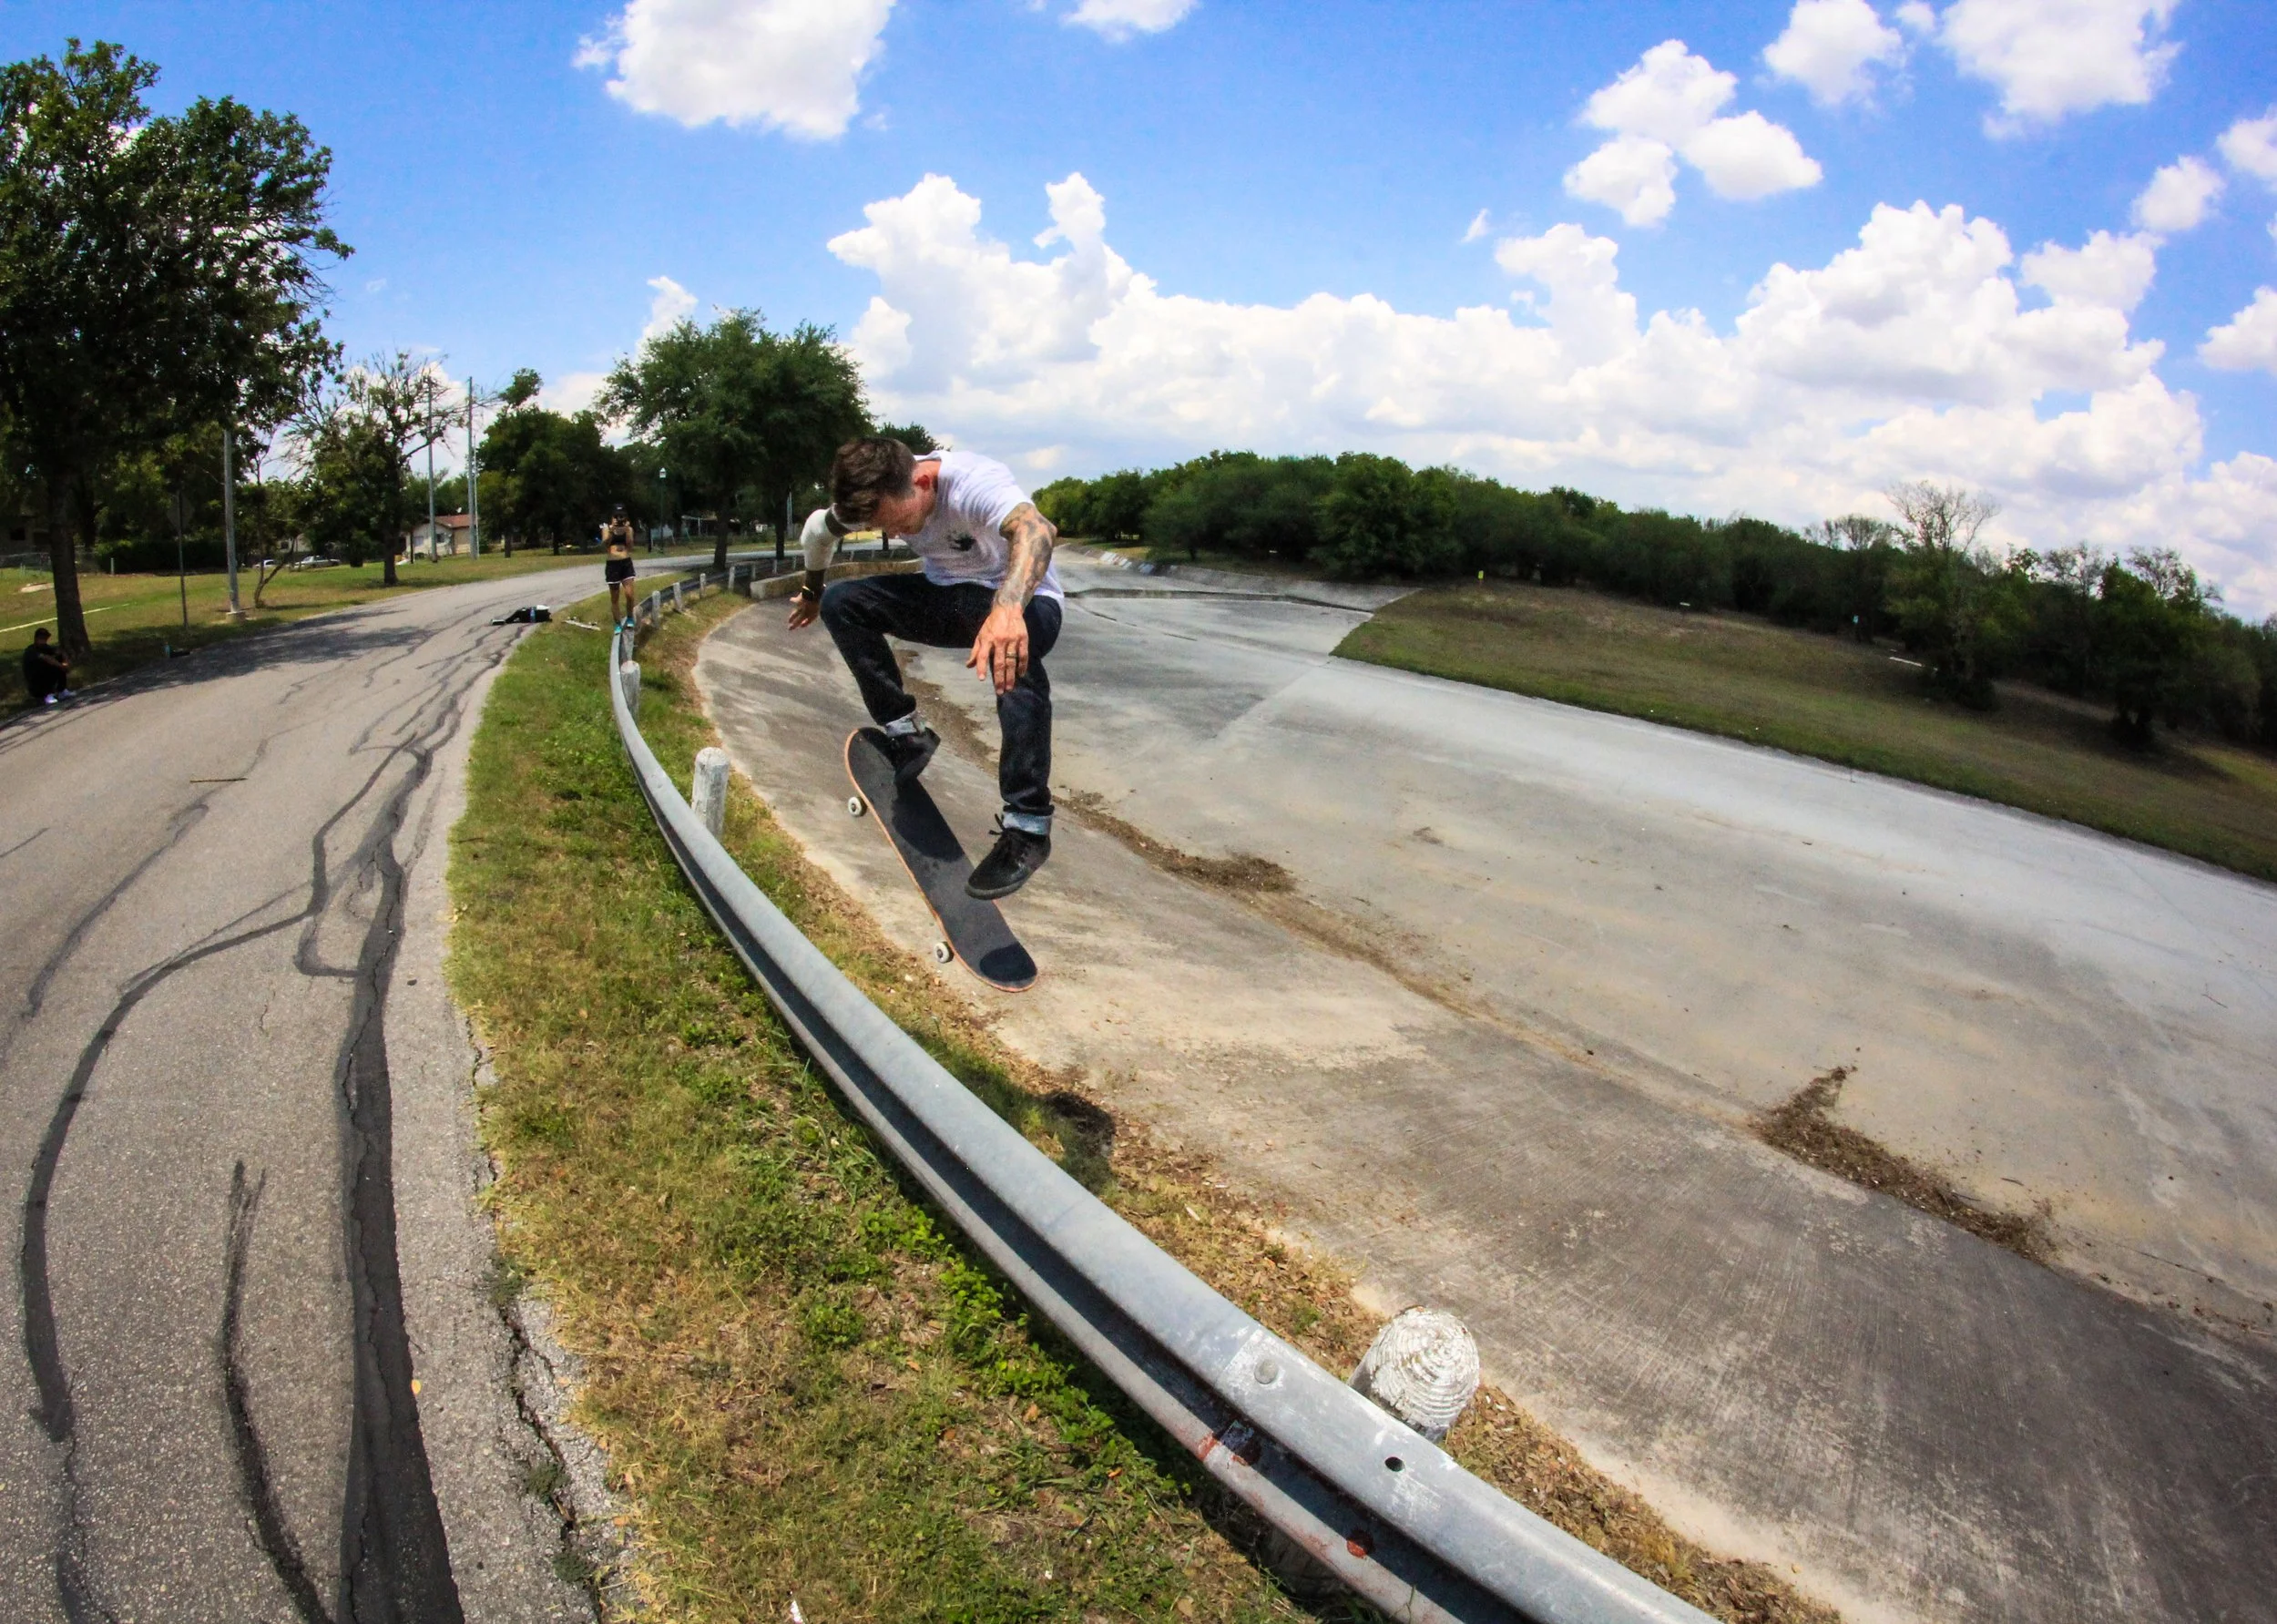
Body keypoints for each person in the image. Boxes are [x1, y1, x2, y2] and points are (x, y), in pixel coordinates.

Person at [788, 435, 1063, 900]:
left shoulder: (973, 482)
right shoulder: (875, 492)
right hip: (949, 602)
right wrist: (814, 592)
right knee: (844, 602)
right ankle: (906, 732)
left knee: (1012, 646)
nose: (895, 535)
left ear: (920, 481)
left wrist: (1009, 608)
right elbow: (817, 533)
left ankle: (1028, 827)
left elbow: (1037, 530)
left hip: (1029, 606)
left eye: (895, 522)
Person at [603, 506, 638, 626]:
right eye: (616, 516)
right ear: (612, 518)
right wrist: (612, 531)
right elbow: (605, 544)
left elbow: (630, 546)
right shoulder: (607, 529)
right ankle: (617, 623)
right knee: (615, 597)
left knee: (629, 594)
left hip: (626, 562)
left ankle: (629, 617)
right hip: (613, 564)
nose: (619, 519)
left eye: (621, 516)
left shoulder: (629, 529)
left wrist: (627, 530)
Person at [22, 627, 73, 706]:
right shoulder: (31, 650)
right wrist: (61, 666)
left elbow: (60, 652)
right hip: (35, 681)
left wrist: (65, 664)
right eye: (42, 638)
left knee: (58, 659)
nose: (44, 640)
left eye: (45, 638)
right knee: (46, 665)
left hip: (45, 675)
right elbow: (46, 658)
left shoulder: (46, 647)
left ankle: (61, 691)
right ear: (36, 639)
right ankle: (46, 695)